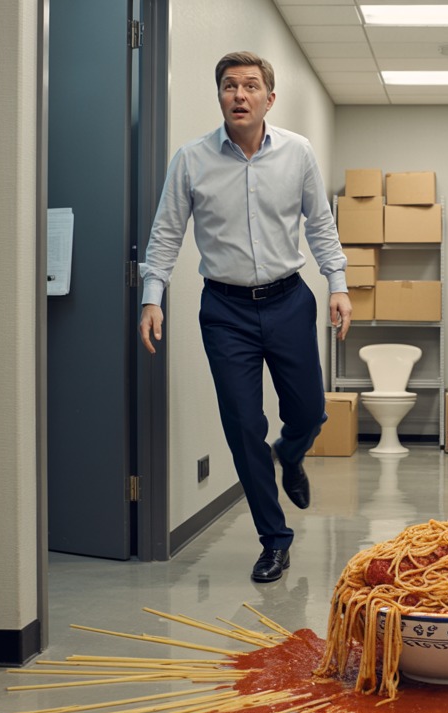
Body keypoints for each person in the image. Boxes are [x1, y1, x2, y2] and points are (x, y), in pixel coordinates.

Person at [139, 51, 352, 583]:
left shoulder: (297, 153)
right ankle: (274, 539)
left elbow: (320, 224)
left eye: (251, 86)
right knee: (242, 425)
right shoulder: (191, 160)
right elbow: (167, 232)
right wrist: (151, 295)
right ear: (220, 97)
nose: (239, 94)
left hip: (289, 301)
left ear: (268, 99)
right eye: (230, 86)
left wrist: (338, 285)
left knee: (308, 411)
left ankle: (292, 450)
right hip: (225, 310)